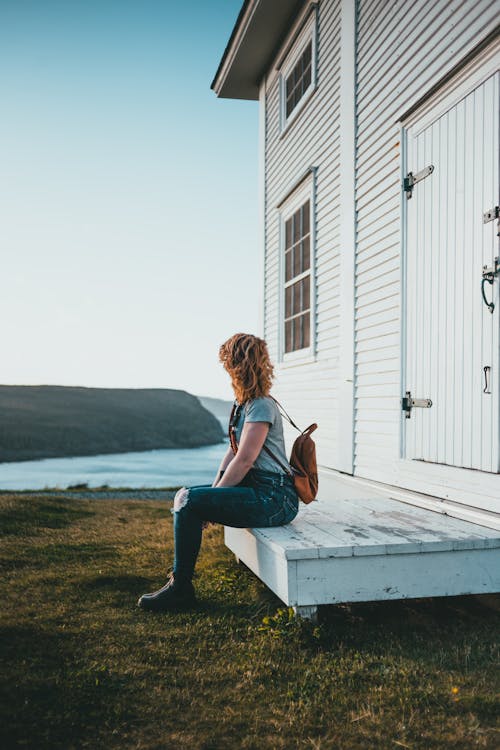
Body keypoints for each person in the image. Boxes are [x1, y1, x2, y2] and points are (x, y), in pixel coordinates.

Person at [138, 332, 299, 612]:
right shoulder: (243, 404)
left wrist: (212, 501)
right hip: (259, 490)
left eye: (229, 363)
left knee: (189, 501)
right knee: (186, 498)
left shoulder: (261, 405)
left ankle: (180, 590)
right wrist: (213, 495)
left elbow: (246, 460)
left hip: (275, 498)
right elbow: (233, 452)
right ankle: (180, 585)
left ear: (238, 365)